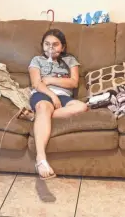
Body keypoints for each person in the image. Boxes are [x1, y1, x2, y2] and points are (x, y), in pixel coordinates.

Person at [18, 29, 87, 180]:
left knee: (82, 107)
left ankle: (37, 117)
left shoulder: (70, 60)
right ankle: (41, 159)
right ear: (42, 45)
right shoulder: (37, 60)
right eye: (47, 44)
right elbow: (37, 83)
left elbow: (73, 83)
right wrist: (51, 94)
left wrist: (50, 80)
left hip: (64, 96)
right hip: (43, 94)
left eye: (55, 45)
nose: (50, 48)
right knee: (44, 106)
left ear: (62, 47)